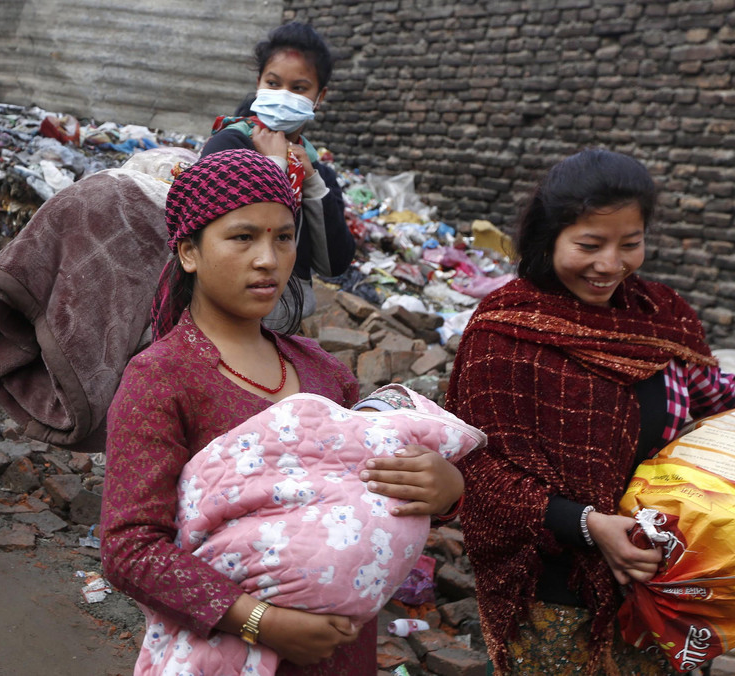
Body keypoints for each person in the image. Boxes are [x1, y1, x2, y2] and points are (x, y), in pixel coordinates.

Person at [100, 149, 463, 674]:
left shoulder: (322, 372)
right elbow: (129, 548)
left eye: (284, 237)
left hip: (339, 651)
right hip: (228, 647)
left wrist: (447, 490)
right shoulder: (161, 378)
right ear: (188, 253)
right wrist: (259, 621)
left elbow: (363, 501)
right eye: (243, 237)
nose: (268, 259)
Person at [445, 149, 735, 675]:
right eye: (589, 245)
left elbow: (713, 398)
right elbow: (477, 469)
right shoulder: (504, 334)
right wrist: (587, 524)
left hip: (662, 581)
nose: (610, 265)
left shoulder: (660, 316)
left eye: (631, 244)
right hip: (555, 595)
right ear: (548, 237)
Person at [201, 21, 354, 333]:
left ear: (319, 96)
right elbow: (212, 234)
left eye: (299, 88)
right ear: (259, 83)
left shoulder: (317, 171)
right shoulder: (228, 145)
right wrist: (273, 167)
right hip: (222, 315)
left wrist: (311, 182)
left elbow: (333, 264)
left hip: (282, 319)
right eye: (273, 83)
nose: (284, 95)